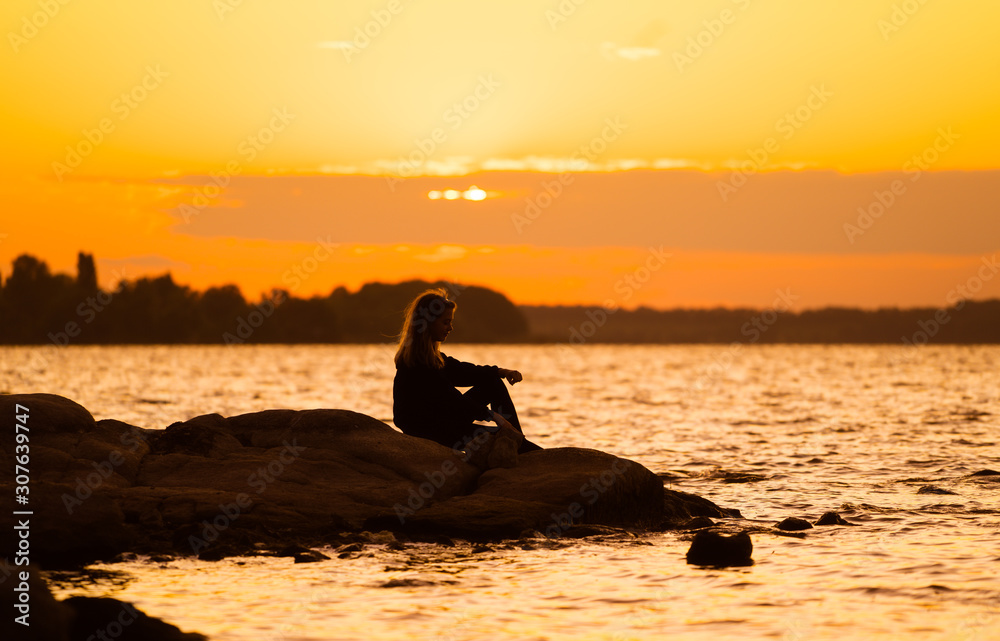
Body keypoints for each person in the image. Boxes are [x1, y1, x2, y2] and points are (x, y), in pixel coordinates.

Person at [392, 288, 541, 455]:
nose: (450, 328)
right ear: (429, 322)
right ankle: (519, 443)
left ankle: (516, 438)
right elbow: (450, 398)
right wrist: (493, 416)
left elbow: (463, 371)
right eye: (446, 322)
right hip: (432, 432)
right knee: (504, 438)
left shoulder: (433, 358)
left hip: (445, 421)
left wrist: (501, 371)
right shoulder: (415, 364)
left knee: (492, 382)